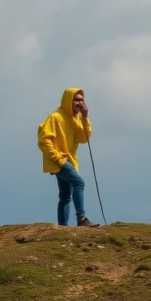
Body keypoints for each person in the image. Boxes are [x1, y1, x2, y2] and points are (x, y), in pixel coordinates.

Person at [37, 87, 100, 228]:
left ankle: (62, 227)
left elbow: (83, 138)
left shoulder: (75, 118)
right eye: (77, 100)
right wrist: (57, 157)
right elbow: (43, 140)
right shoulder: (55, 117)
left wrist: (85, 117)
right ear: (68, 100)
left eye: (82, 100)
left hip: (68, 160)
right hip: (59, 160)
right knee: (79, 183)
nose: (80, 103)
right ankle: (82, 219)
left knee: (65, 196)